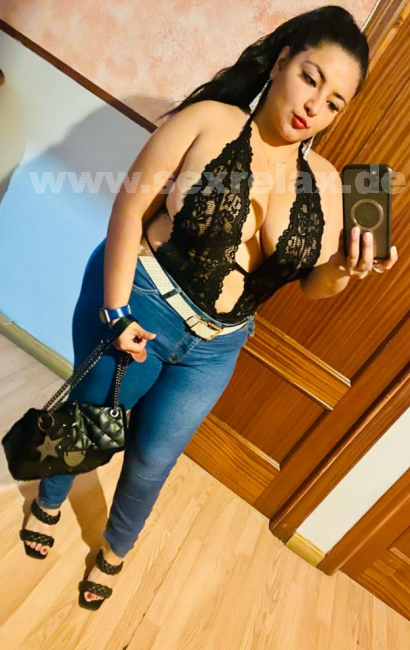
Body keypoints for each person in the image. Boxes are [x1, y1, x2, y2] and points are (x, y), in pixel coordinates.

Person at [19, 5, 398, 609]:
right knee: (90, 420)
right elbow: (128, 212)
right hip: (143, 304)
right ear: (281, 62)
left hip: (217, 346)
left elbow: (312, 287)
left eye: (333, 103)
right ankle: (49, 500)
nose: (314, 106)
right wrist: (116, 313)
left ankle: (115, 549)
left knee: (153, 459)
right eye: (310, 77)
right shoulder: (207, 121)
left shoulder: (326, 185)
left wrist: (345, 272)